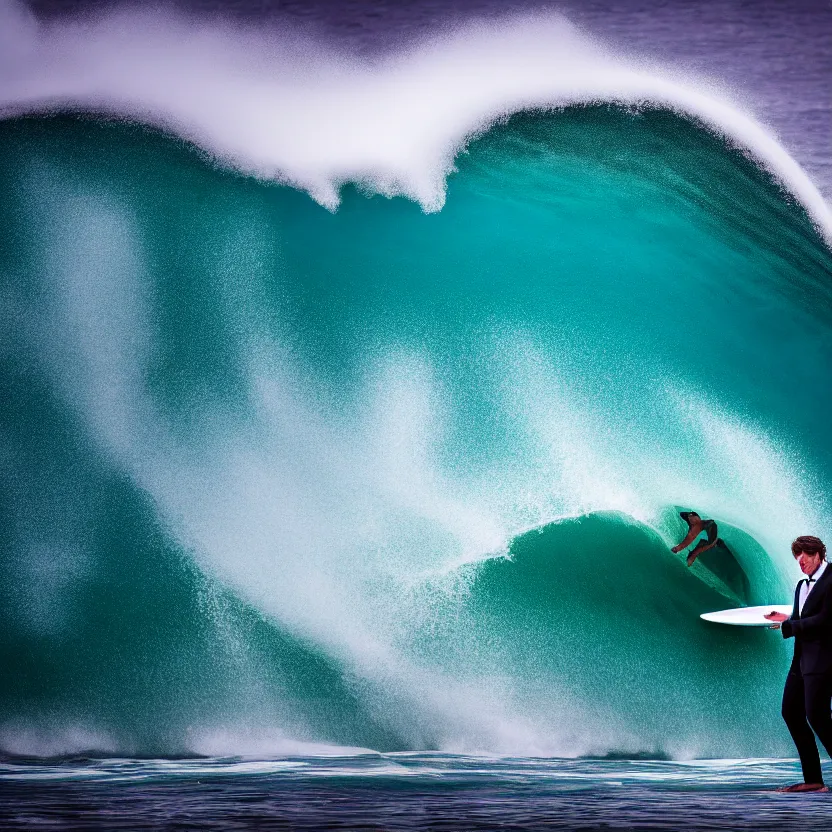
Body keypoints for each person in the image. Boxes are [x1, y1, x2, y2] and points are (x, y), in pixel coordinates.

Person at [765, 536, 832, 793]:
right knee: (791, 712)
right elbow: (806, 615)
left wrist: (791, 626)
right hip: (801, 660)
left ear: (819, 554)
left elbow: (826, 620)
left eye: (806, 555)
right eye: (798, 556)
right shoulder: (801, 586)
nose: (801, 561)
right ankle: (814, 780)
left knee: (818, 717)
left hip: (824, 660)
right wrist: (787, 617)